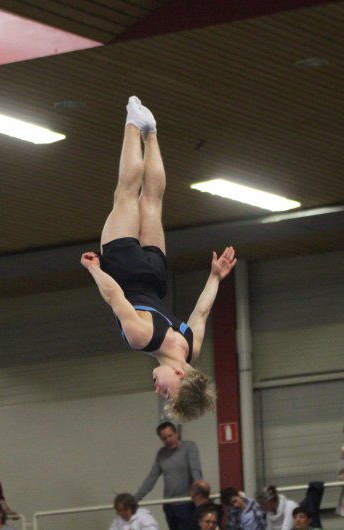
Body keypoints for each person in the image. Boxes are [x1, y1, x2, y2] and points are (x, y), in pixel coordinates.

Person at [80, 95, 237, 423]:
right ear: (180, 375)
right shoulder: (141, 339)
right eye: (167, 392)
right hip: (125, 271)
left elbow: (201, 312)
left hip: (156, 277)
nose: (158, 391)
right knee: (126, 194)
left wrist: (215, 277)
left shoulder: (190, 346)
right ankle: (132, 122)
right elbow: (114, 296)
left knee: (152, 202)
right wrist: (94, 269)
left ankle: (150, 132)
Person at [135, 422, 203, 530]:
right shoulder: (161, 453)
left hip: (186, 502)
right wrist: (135, 499)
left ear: (176, 433)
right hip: (168, 504)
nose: (168, 440)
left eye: (170, 436)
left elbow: (195, 471)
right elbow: (151, 478)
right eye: (164, 438)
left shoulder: (189, 447)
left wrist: (201, 493)